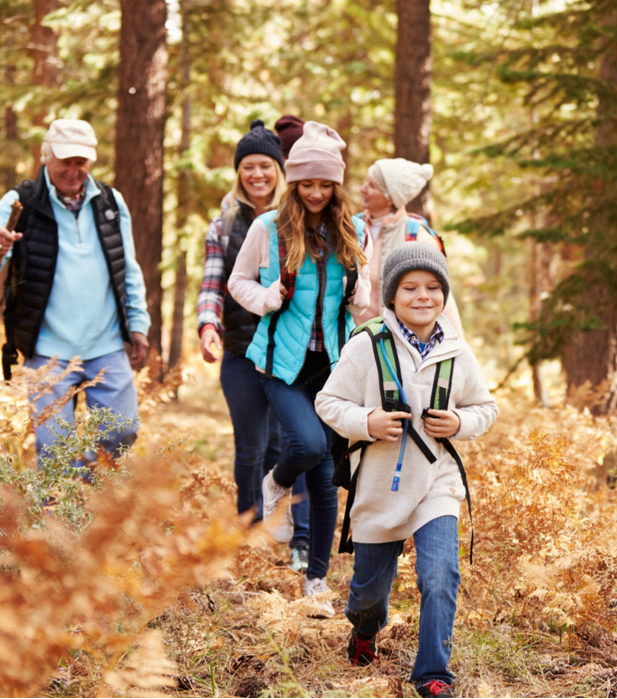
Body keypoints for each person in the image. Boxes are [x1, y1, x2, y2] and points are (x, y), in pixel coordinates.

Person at [315, 242, 497, 696]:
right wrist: (367, 422)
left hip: (436, 480)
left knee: (440, 574)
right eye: (410, 288)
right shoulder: (366, 346)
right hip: (380, 486)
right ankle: (363, 630)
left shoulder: (457, 350)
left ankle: (433, 673)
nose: (423, 297)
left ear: (444, 294)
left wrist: (459, 422)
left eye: (433, 288)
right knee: (369, 596)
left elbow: (485, 407)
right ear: (391, 295)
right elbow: (328, 402)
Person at [228, 121, 372, 616]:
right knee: (307, 445)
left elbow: (362, 303)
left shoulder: (350, 232)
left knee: (328, 474)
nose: (314, 193)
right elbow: (237, 283)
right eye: (306, 183)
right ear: (294, 184)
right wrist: (267, 298)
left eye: (324, 184)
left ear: (336, 186)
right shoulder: (267, 228)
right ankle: (274, 482)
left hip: (332, 365)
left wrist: (363, 301)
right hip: (279, 363)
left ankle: (316, 581)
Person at [0, 118, 150, 470]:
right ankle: (61, 521)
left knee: (121, 434)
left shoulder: (111, 202)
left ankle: (91, 501)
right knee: (55, 453)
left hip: (107, 344)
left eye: (80, 162)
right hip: (48, 351)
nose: (72, 170)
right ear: (46, 157)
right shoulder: (18, 203)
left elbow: (128, 267)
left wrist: (138, 324)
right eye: (64, 161)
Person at [197, 119, 311, 570]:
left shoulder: (298, 216)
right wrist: (208, 325)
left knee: (290, 445)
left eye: (265, 165)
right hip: (242, 349)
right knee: (249, 446)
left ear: (279, 169)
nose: (256, 174)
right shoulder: (223, 223)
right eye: (247, 167)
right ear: (238, 172)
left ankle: (293, 533)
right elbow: (212, 285)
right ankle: (249, 535)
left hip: (290, 350)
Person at [356, 158, 464, 337]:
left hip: (396, 350)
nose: (362, 189)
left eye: (372, 186)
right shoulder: (350, 228)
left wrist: (458, 352)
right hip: (349, 347)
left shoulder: (418, 238)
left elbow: (442, 297)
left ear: (390, 198)